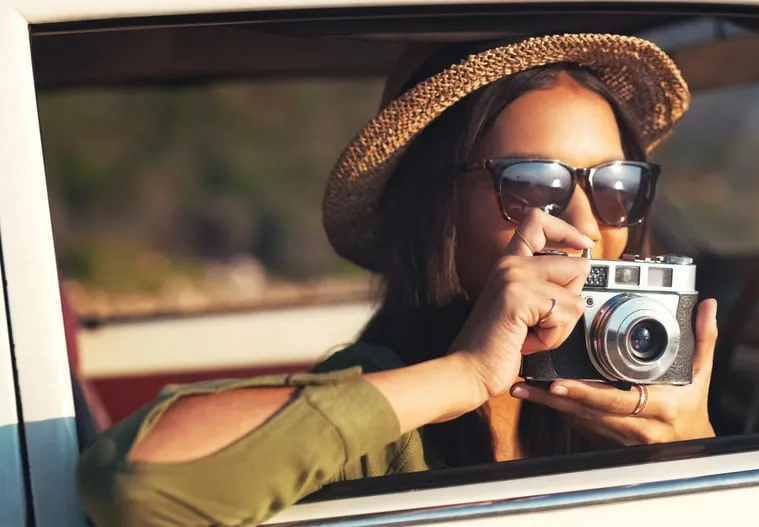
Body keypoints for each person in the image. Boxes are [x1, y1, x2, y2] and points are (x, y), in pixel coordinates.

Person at [76, 33, 718, 526]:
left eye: (616, 186)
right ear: (438, 210)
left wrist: (690, 451)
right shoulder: (379, 408)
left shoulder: (641, 397)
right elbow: (139, 487)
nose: (583, 223)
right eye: (531, 185)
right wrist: (466, 374)